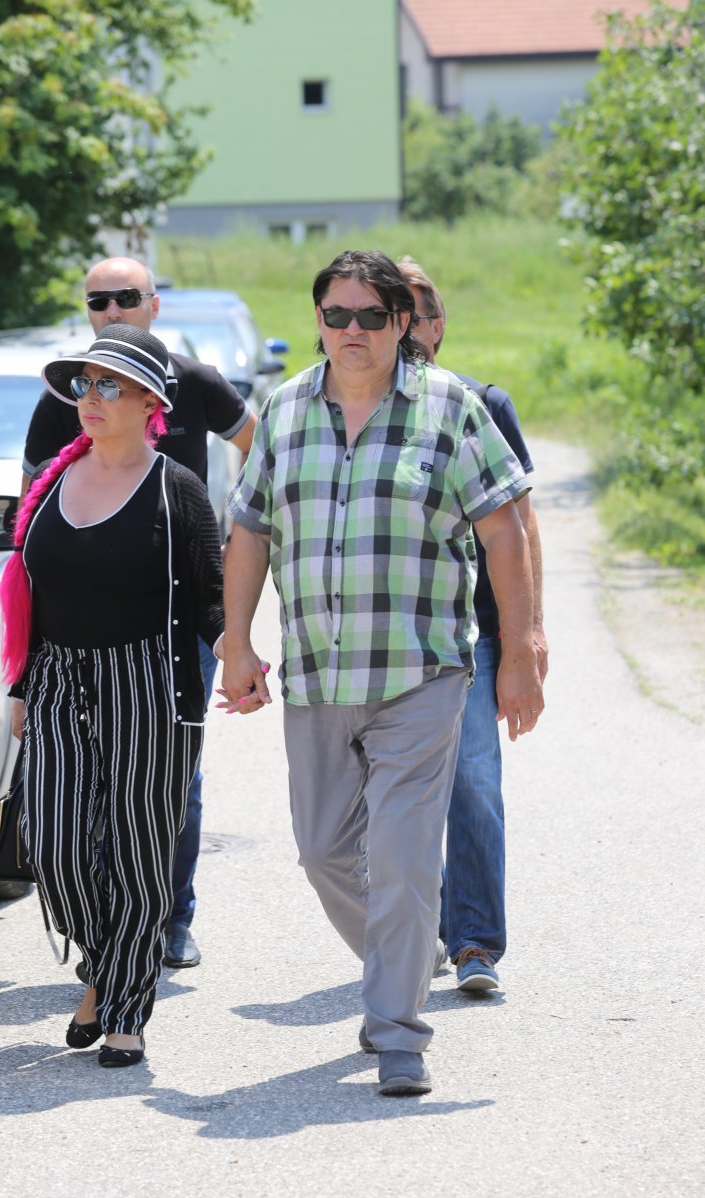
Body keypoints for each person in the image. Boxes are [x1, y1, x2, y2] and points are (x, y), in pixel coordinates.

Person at [218, 250, 544, 1096]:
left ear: (403, 323)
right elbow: (250, 528)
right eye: (337, 315)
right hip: (318, 676)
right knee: (324, 853)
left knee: (401, 856)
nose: (352, 330)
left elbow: (504, 529)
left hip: (421, 672)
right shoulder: (285, 410)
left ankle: (398, 1032)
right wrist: (236, 640)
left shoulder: (452, 408)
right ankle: (406, 949)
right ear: (319, 321)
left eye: (371, 315)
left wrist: (520, 648)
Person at [22, 255, 256, 971]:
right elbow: (31, 531)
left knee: (168, 786)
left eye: (126, 297)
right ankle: (110, 928)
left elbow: (263, 454)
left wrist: (247, 541)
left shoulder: (196, 385)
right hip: (75, 641)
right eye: (99, 301)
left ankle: (167, 920)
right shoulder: (64, 403)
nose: (113, 310)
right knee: (75, 800)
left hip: (175, 626)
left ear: (154, 304)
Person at [0, 323, 224, 1066]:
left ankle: (126, 1006)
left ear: (151, 403)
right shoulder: (53, 480)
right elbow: (32, 596)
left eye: (109, 385)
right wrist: (22, 685)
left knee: (138, 846)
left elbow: (210, 600)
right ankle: (102, 958)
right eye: (84, 384)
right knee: (55, 843)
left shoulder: (177, 489)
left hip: (149, 682)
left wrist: (237, 654)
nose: (89, 398)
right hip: (58, 678)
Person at [398, 256, 549, 993]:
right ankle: (416, 926)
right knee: (389, 798)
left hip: (472, 636)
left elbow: (521, 522)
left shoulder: (482, 404)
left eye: (418, 314)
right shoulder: (347, 413)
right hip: (382, 640)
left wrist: (528, 635)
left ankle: (475, 943)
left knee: (474, 787)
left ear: (439, 326)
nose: (406, 329)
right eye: (392, 314)